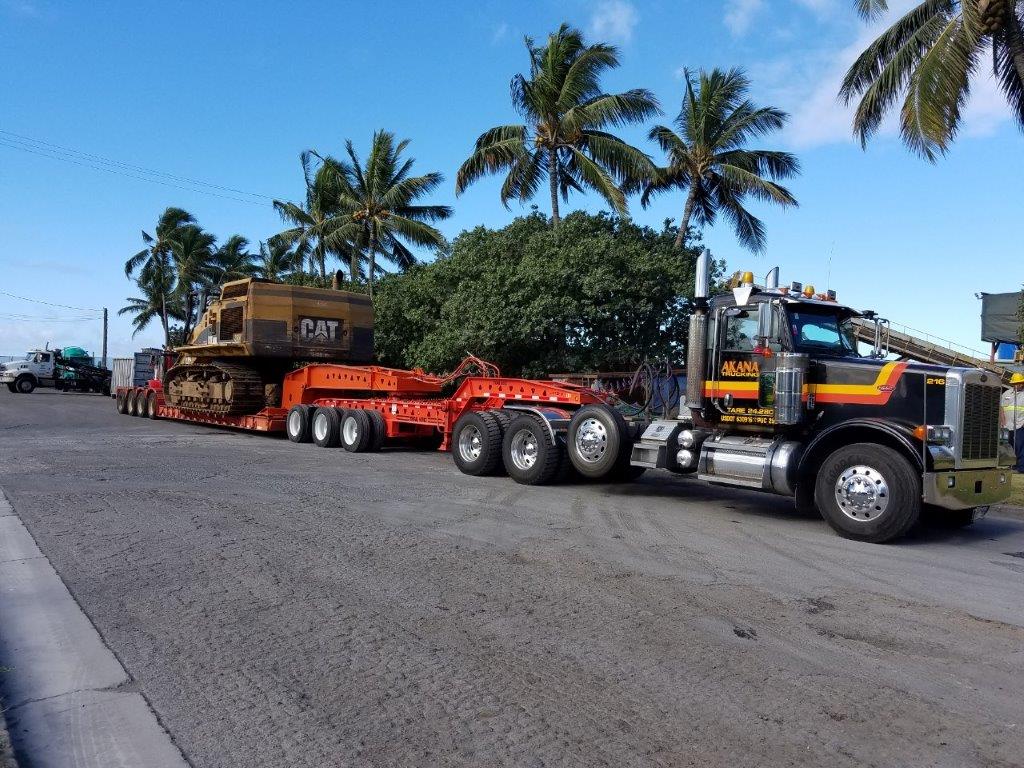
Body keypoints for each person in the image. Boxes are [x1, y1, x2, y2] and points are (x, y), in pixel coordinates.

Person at [1001, 372, 1024, 472]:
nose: (1017, 385)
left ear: (1022, 383)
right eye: (1015, 383)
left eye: (1019, 383)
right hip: (1007, 426)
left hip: (1020, 426)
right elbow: (1001, 408)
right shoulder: (1006, 394)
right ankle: (1011, 465)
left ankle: (1020, 467)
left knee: (1020, 447)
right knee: (1009, 447)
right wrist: (1002, 421)